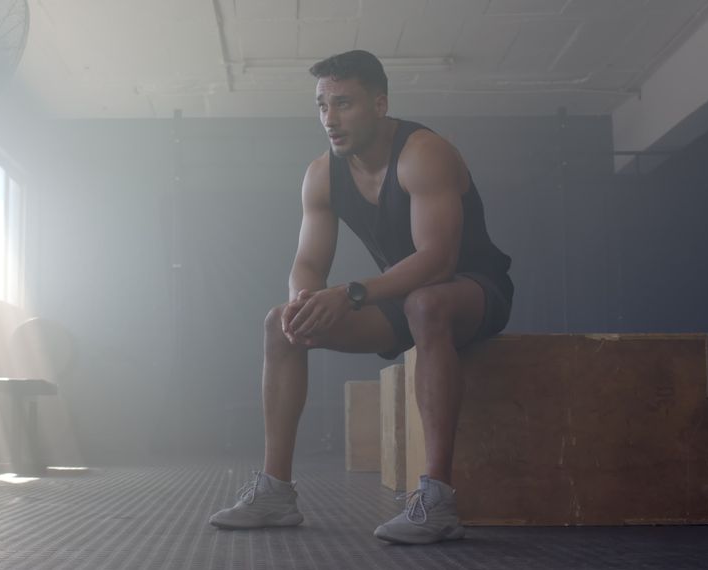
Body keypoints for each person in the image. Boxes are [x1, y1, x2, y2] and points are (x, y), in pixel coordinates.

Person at [208, 50, 513, 545]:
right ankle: (275, 493)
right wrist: (303, 304)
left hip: (472, 287)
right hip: (399, 292)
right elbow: (307, 263)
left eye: (344, 104)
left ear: (379, 103)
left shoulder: (423, 152)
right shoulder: (322, 174)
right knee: (278, 322)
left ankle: (437, 501)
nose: (330, 119)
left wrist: (349, 294)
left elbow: (439, 259)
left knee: (427, 303)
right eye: (322, 106)